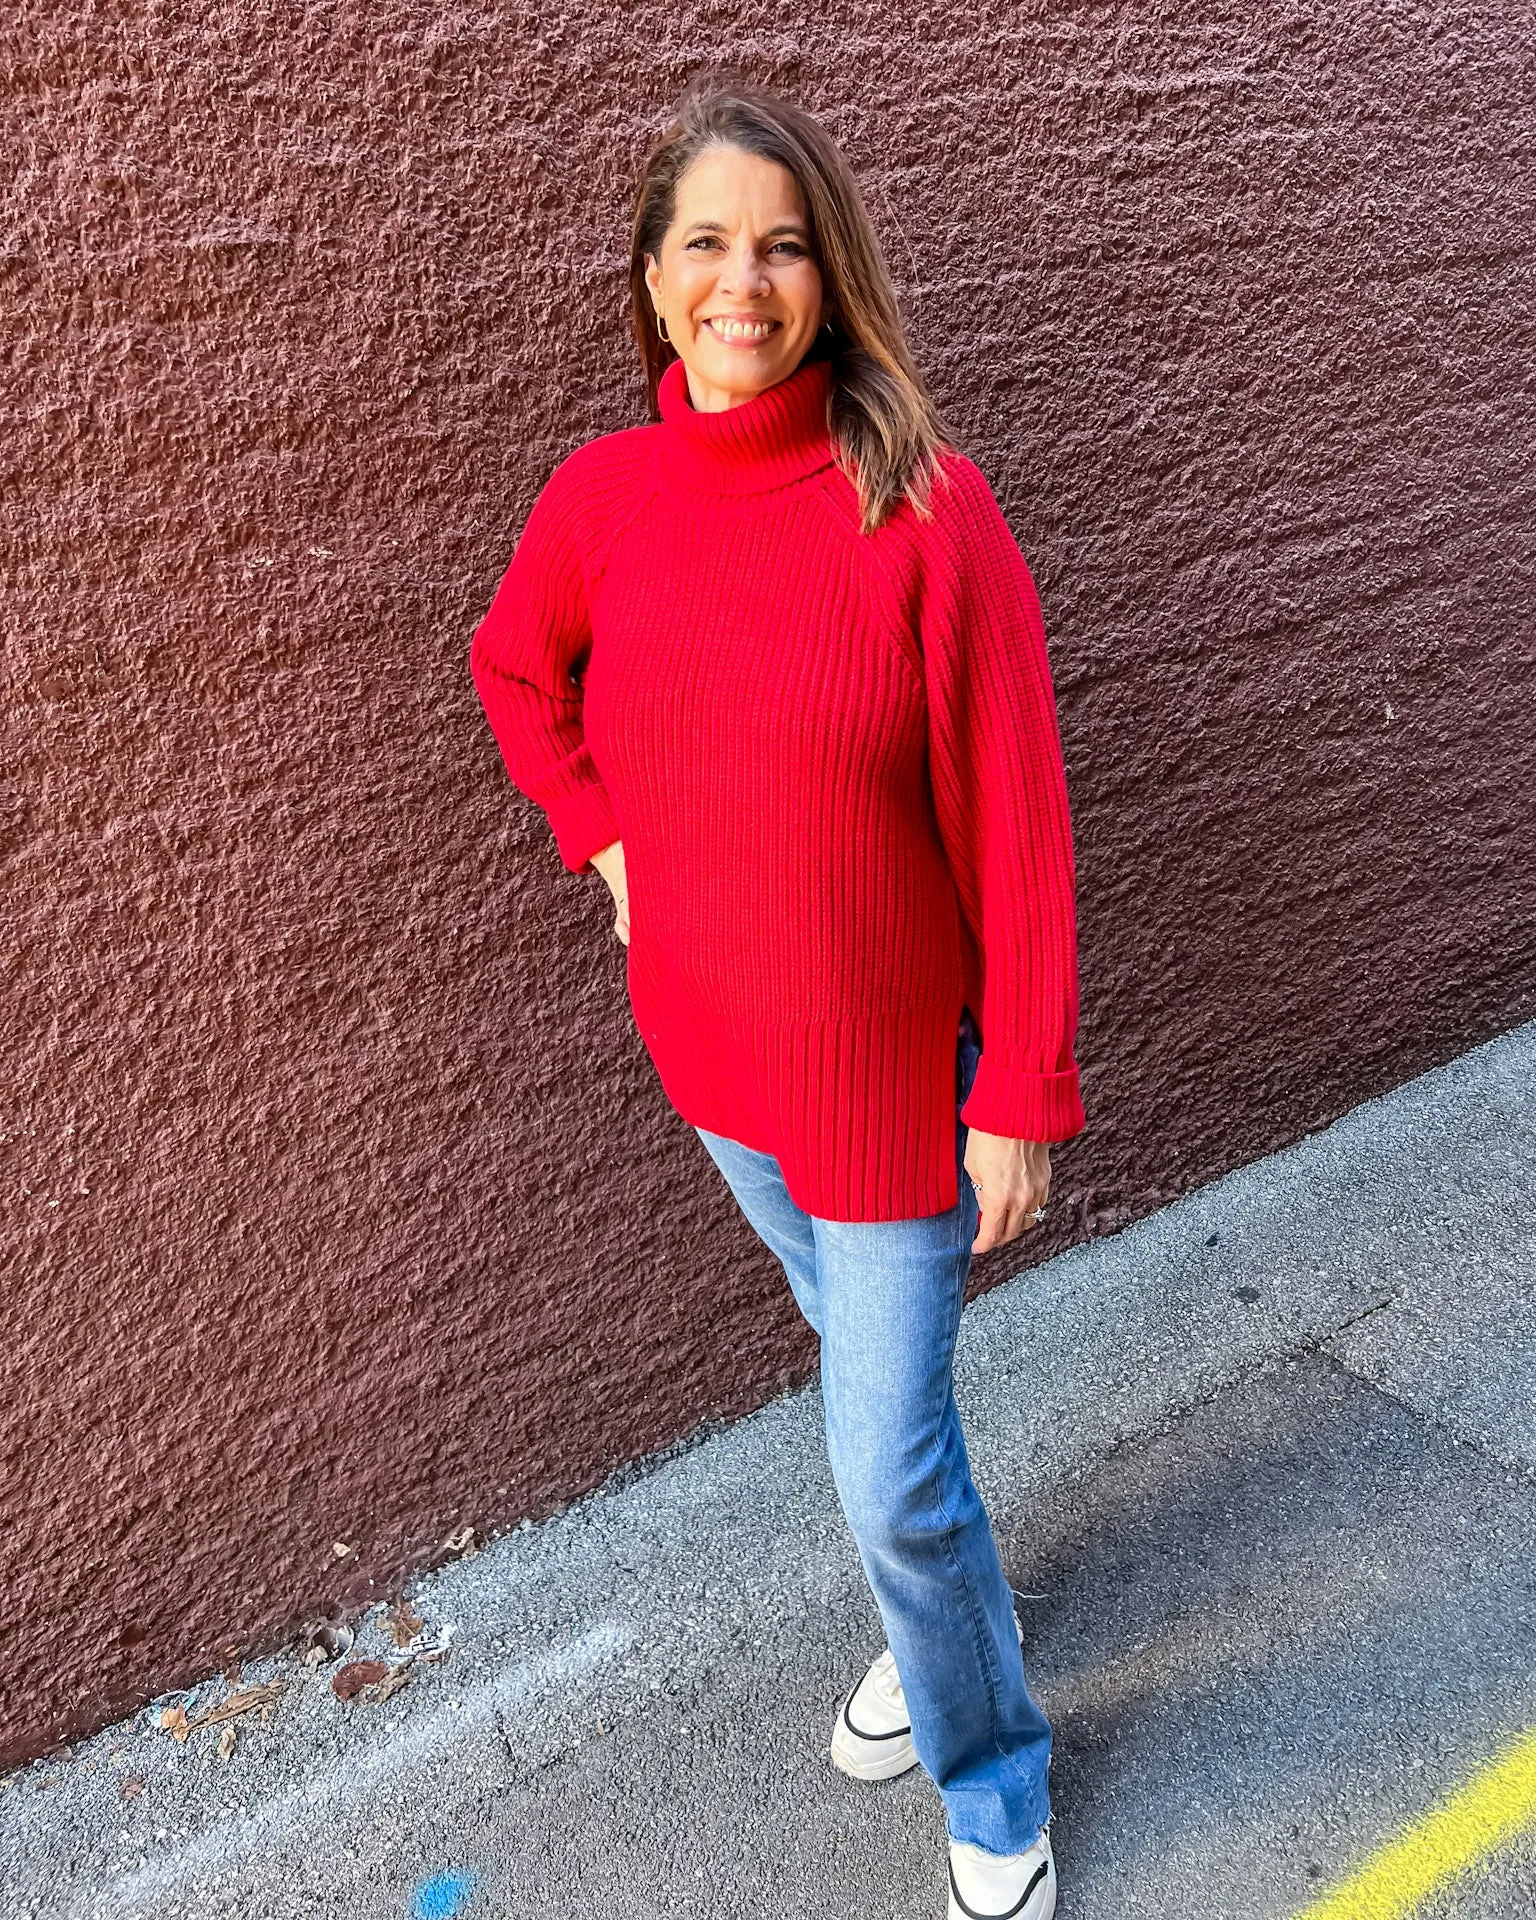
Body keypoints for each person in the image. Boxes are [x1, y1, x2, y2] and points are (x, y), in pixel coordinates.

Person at [469, 77, 1084, 1920]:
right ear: (656, 281)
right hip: (717, 1064)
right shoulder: (602, 498)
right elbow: (516, 672)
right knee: (883, 1424)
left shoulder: (922, 509)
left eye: (786, 244)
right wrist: (608, 845)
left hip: (898, 1087)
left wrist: (1022, 1087)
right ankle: (945, 1621)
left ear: (831, 277)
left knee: (887, 1463)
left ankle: (994, 1784)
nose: (749, 281)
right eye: (710, 245)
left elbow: (1023, 816)